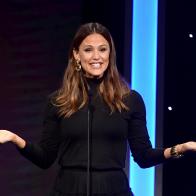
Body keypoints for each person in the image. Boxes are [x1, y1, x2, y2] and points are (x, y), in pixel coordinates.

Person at [0, 22, 196, 196]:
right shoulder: (58, 101)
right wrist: (14, 139)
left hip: (114, 188)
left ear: (110, 54)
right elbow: (45, 159)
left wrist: (181, 148)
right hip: (68, 189)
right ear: (76, 55)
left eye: (103, 49)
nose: (96, 57)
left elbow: (144, 157)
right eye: (88, 50)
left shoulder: (130, 100)